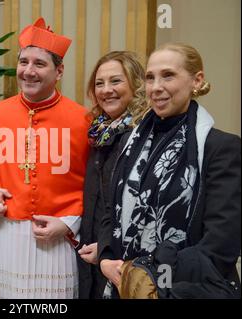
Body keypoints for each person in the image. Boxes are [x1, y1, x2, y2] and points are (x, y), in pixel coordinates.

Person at [98, 43, 241, 298]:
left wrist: (149, 272)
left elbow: (222, 243)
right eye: (150, 77)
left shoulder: (220, 147)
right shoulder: (129, 142)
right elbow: (111, 211)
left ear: (197, 80)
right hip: (123, 286)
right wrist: (106, 258)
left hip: (185, 289)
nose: (156, 87)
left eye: (168, 75)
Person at [0, 17, 90, 299]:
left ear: (59, 70)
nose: (28, 71)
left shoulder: (84, 119)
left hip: (59, 240)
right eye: (24, 62)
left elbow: (97, 184)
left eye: (39, 64)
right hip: (6, 238)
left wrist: (69, 224)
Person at [77, 51, 149, 299]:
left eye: (116, 81)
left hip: (124, 259)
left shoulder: (144, 136)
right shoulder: (99, 132)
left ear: (136, 84)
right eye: (99, 83)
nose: (106, 90)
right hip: (93, 253)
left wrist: (107, 247)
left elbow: (145, 207)